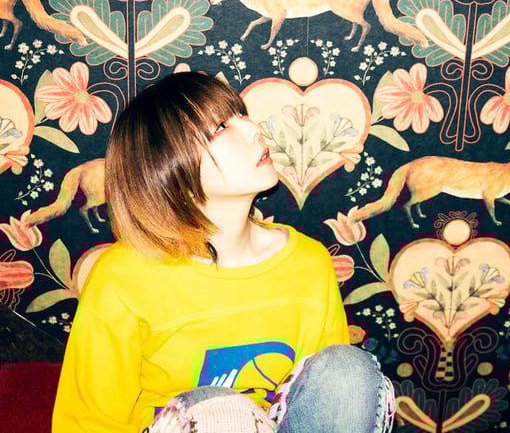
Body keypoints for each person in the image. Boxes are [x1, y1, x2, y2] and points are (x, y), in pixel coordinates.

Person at [51, 72, 395, 433]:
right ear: (167, 168)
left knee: (348, 370)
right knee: (220, 410)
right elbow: (87, 422)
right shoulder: (123, 276)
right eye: (220, 127)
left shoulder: (309, 262)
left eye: (241, 114)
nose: (253, 128)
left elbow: (323, 400)